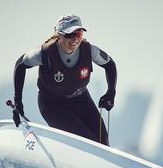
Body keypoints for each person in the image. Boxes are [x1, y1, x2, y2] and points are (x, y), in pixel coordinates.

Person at [12, 14, 117, 146]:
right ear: (59, 35)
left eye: (78, 34)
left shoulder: (90, 50)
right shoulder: (44, 53)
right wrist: (18, 102)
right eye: (68, 34)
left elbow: (110, 64)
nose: (74, 39)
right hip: (53, 105)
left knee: (103, 140)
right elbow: (20, 65)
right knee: (86, 140)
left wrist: (111, 92)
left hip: (81, 99)